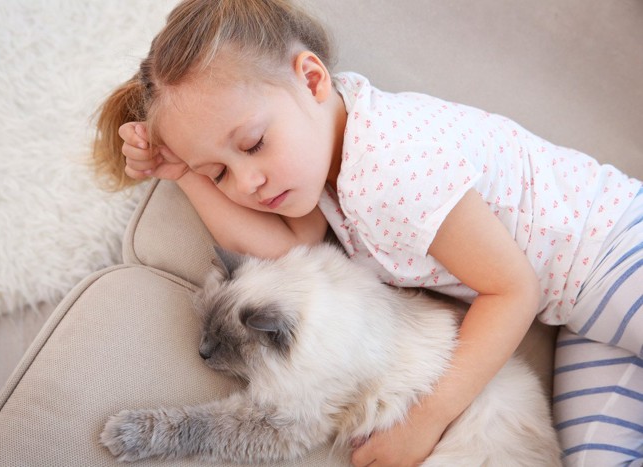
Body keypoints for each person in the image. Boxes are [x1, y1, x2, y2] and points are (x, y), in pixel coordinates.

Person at [92, 1, 643, 465]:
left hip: (617, 249)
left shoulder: (390, 166)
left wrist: (422, 423)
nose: (249, 182)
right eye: (221, 173)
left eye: (254, 144)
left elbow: (513, 289)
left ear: (311, 80)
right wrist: (185, 174)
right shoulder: (323, 167)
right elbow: (287, 253)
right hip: (578, 316)